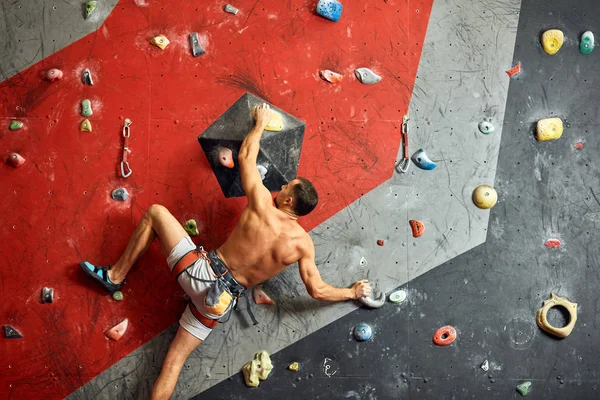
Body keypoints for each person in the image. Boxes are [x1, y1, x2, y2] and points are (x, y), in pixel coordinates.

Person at [79, 103, 372, 399]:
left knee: (155, 213)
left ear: (289, 202)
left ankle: (115, 276)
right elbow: (318, 290)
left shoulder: (261, 204)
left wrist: (260, 123)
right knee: (175, 362)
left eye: (287, 187)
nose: (282, 186)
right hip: (218, 303)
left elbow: (246, 156)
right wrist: (352, 292)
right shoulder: (303, 245)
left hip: (199, 272)